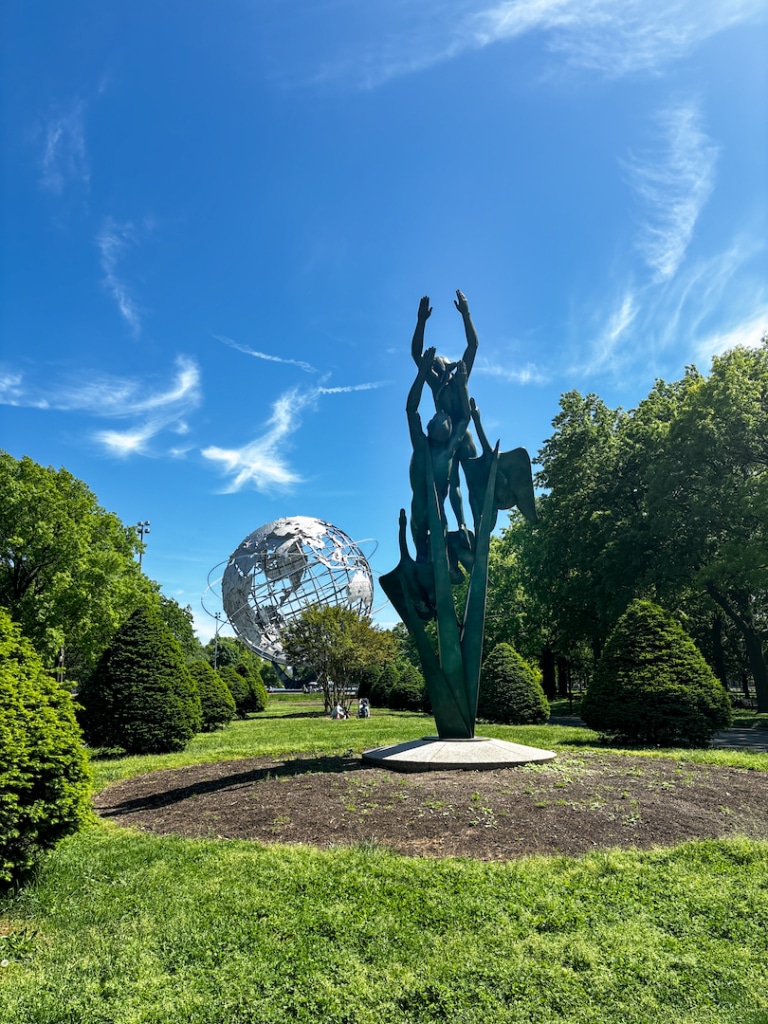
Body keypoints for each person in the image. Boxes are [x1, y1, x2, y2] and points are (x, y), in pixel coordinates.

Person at [410, 291, 479, 536]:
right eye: (434, 368)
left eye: (438, 368)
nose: (436, 372)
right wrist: (421, 321)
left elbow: (473, 345)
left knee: (472, 480)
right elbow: (416, 354)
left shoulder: (460, 377)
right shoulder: (434, 383)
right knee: (451, 483)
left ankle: (471, 524)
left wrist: (466, 313)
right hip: (444, 439)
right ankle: (457, 525)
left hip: (463, 433)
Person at [407, 347, 470, 562]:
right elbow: (465, 419)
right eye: (440, 414)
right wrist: (462, 388)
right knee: (432, 560)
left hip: (422, 513)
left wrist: (422, 374)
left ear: (429, 426)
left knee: (426, 560)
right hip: (432, 514)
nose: (442, 411)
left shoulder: (422, 446)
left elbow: (411, 409)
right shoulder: (448, 450)